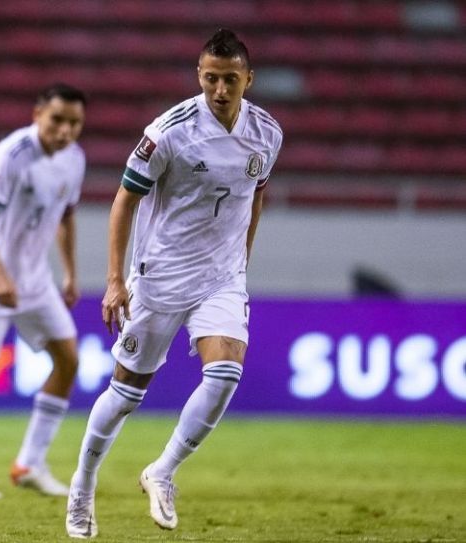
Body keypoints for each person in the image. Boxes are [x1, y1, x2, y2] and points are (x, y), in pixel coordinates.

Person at [65, 29, 283, 538]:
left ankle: (162, 471)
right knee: (126, 392)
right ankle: (82, 485)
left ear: (248, 79)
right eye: (211, 78)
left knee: (226, 371)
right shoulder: (168, 132)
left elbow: (255, 196)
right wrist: (115, 280)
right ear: (199, 77)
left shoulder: (268, 132)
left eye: (231, 79)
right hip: (161, 275)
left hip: (222, 276)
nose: (220, 89)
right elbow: (124, 200)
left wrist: (241, 264)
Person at [0, 84, 87, 500]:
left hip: (35, 277)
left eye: (74, 123)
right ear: (38, 113)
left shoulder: (74, 159)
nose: (64, 130)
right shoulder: (12, 156)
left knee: (68, 358)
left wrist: (71, 274)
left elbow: (67, 217)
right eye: (57, 120)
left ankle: (30, 462)